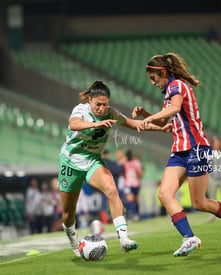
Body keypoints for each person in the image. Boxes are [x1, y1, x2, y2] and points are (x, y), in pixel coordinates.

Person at [133, 53, 221, 257]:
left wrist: (150, 117)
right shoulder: (169, 90)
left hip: (197, 148)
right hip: (179, 150)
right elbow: (163, 121)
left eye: (154, 78)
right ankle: (189, 238)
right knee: (164, 194)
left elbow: (174, 109)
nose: (152, 83)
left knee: (200, 202)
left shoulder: (176, 86)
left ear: (163, 72)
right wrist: (145, 114)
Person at [58, 80, 156, 257]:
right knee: (67, 214)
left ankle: (124, 239)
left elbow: (134, 124)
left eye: (105, 104)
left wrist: (162, 128)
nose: (102, 109)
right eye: (98, 104)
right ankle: (73, 239)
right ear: (90, 100)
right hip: (71, 162)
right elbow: (74, 124)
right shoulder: (81, 110)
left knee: (112, 190)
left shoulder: (111, 113)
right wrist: (95, 124)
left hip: (92, 161)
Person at [122, 149, 143, 221]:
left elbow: (140, 173)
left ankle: (136, 214)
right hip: (128, 184)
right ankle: (130, 215)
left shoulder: (136, 163)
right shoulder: (125, 163)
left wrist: (137, 172)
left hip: (135, 184)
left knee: (135, 200)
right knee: (129, 200)